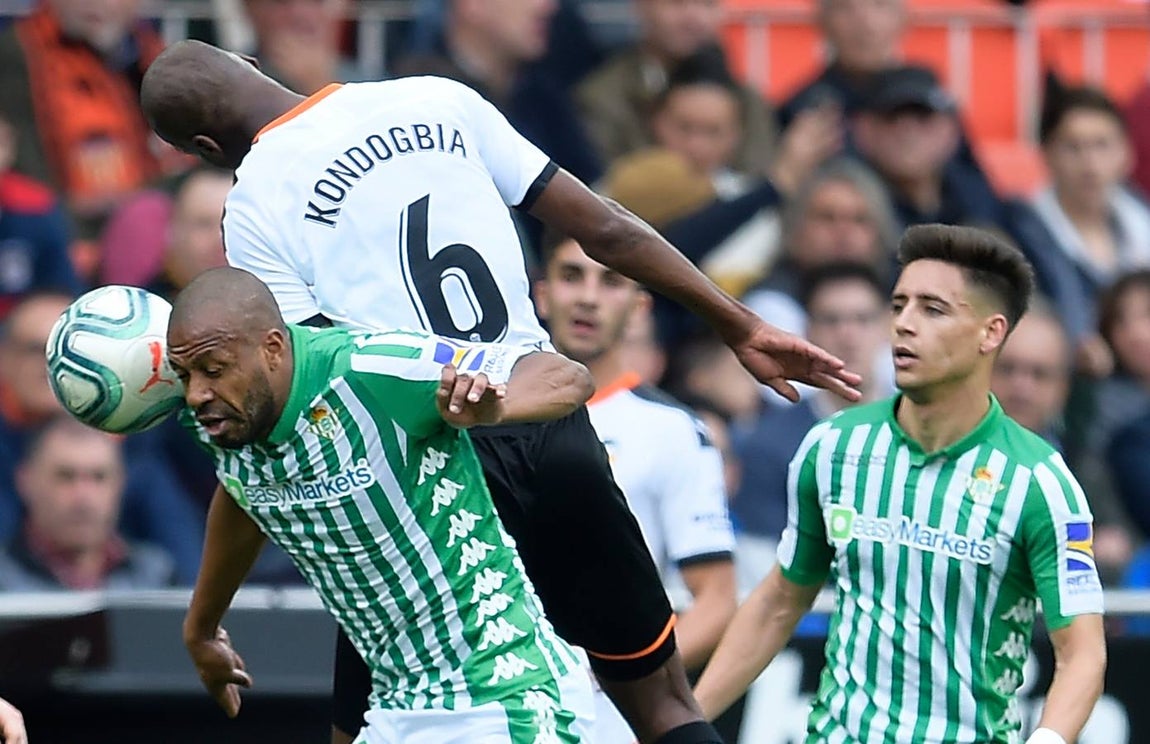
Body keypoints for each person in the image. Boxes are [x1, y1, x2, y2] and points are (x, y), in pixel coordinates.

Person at [139, 39, 861, 744]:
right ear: (254, 66)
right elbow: (606, 227)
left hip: (433, 469)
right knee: (666, 706)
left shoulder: (256, 203)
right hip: (550, 423)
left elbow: (310, 390)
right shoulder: (435, 100)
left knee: (365, 724)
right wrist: (738, 324)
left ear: (204, 148)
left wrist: (209, 612)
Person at [693, 224, 1107, 744]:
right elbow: (779, 600)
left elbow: (1083, 652)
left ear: (991, 332)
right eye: (899, 305)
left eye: (932, 310)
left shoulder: (1041, 483)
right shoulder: (833, 448)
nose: (903, 326)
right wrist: (682, 725)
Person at [168, 267, 596, 741]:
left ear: (272, 348)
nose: (196, 393)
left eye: (213, 370)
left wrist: (496, 407)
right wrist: (201, 628)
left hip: (506, 693)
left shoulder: (375, 369)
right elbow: (243, 489)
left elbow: (568, 378)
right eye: (184, 374)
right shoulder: (223, 421)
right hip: (397, 706)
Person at [534, 237, 737, 741]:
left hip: (610, 721)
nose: (588, 297)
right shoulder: (481, 415)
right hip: (492, 704)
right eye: (571, 275)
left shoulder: (673, 431)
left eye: (611, 281)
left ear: (639, 307)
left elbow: (715, 598)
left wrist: (621, 676)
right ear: (540, 294)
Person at [732, 262, 890, 593]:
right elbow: (761, 562)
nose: (848, 335)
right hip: (803, 624)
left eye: (863, 319)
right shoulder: (768, 444)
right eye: (831, 320)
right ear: (807, 329)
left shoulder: (927, 431)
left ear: (888, 327)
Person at [0, 414, 176, 591]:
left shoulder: (157, 576)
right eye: (66, 476)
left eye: (99, 477)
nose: (83, 496)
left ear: (121, 483)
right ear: (25, 481)